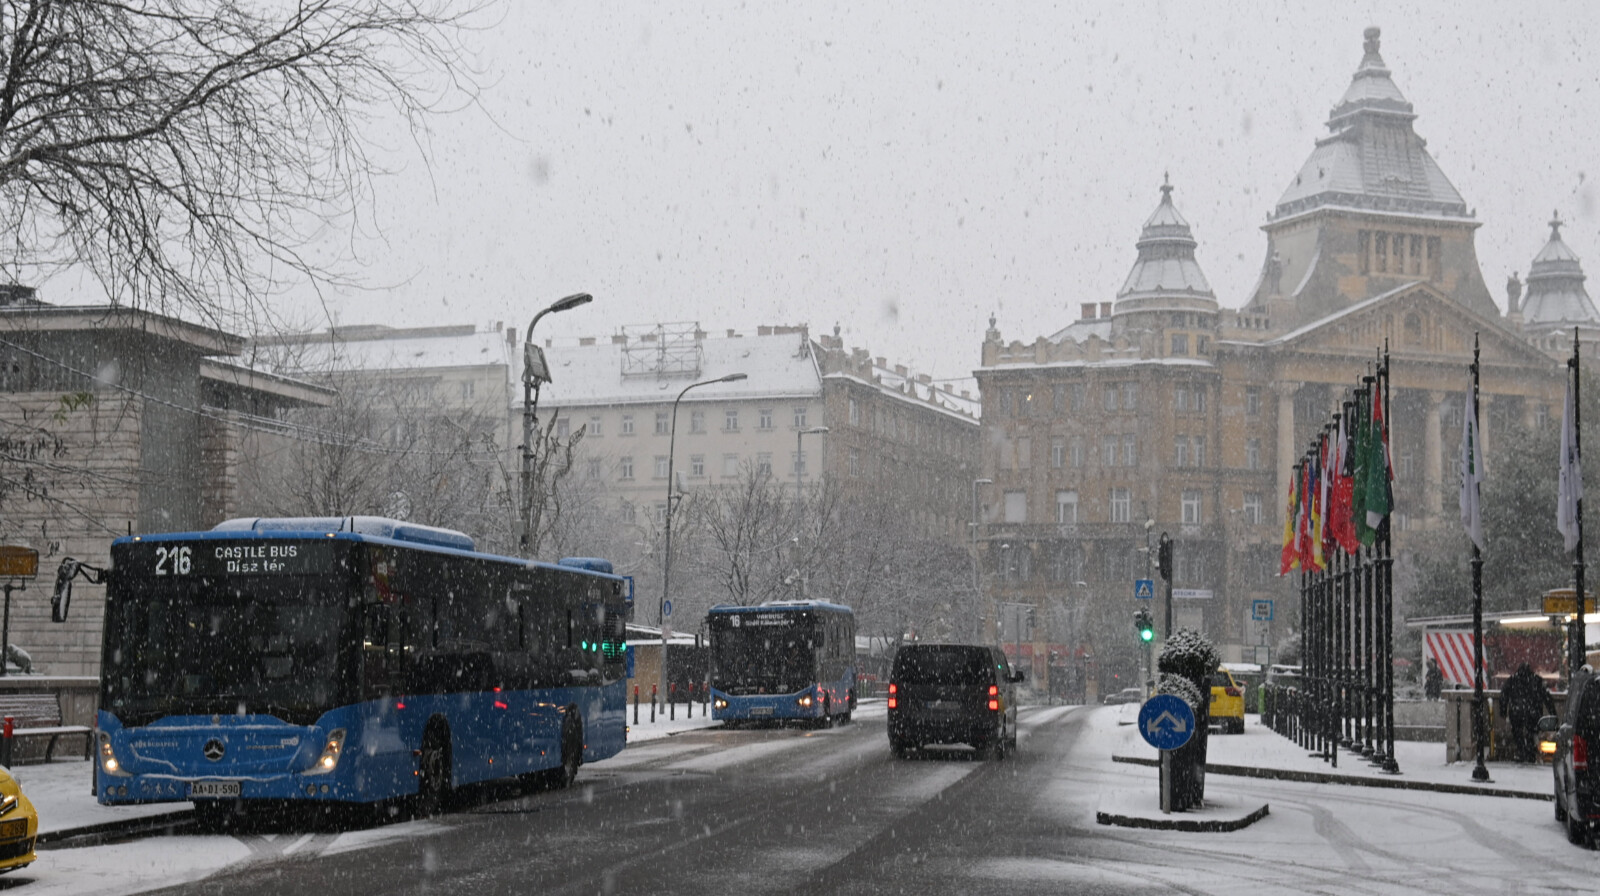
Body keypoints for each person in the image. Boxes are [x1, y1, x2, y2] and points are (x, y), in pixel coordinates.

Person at [1500, 663, 1556, 763]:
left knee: (1517, 733)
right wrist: (1553, 713)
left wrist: (1503, 711)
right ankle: (1530, 753)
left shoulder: (1512, 680)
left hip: (1516, 712)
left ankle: (1521, 752)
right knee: (1531, 732)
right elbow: (1547, 698)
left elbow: (1503, 695)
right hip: (1533, 713)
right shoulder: (1537, 680)